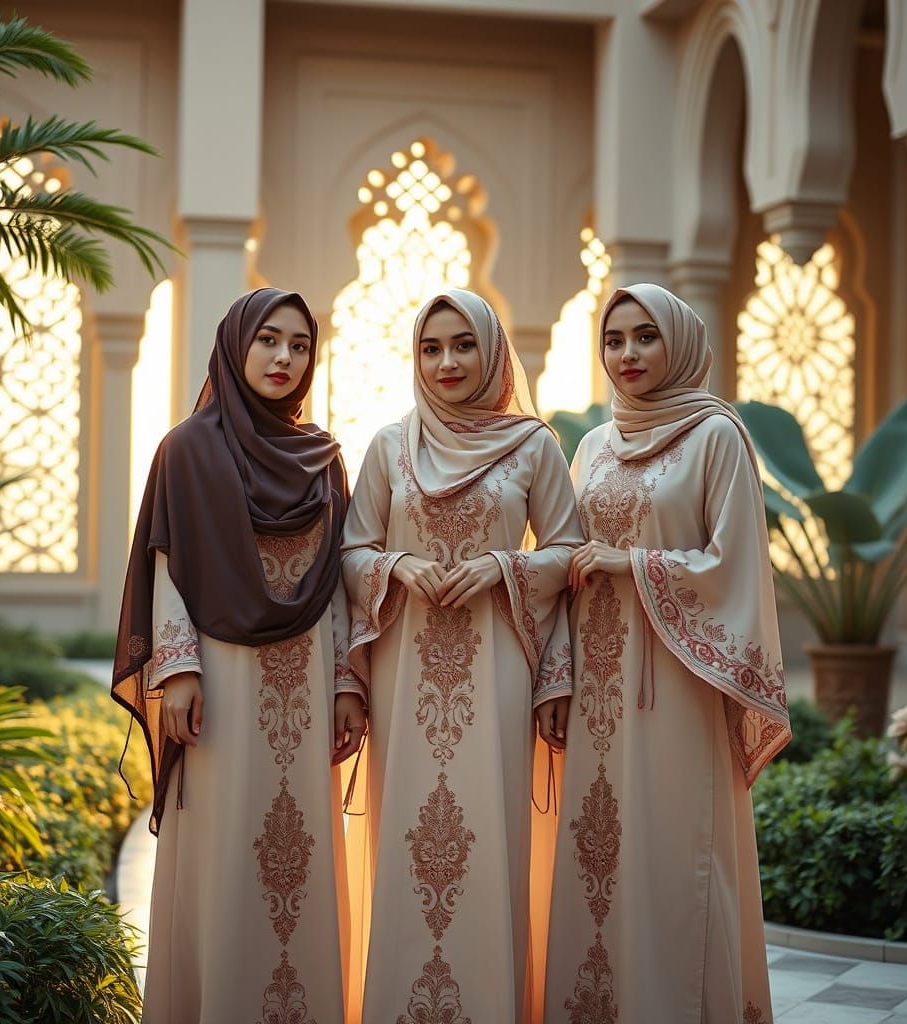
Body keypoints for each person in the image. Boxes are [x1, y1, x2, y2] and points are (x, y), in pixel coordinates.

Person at [111, 287, 366, 1024]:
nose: (284, 357)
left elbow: (341, 579)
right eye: (268, 341)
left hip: (310, 687)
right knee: (226, 856)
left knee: (299, 853)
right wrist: (180, 669)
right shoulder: (186, 450)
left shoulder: (324, 460)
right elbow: (168, 566)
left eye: (299, 344)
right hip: (221, 684)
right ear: (235, 345)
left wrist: (349, 680)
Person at [544, 283, 791, 1023]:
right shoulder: (592, 445)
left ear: (678, 342)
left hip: (679, 683)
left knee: (673, 849)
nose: (627, 355)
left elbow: (736, 562)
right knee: (601, 851)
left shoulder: (716, 436)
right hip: (598, 687)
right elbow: (563, 556)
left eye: (644, 337)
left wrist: (635, 564)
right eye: (613, 340)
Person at [341, 289, 583, 1022]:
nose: (447, 362)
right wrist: (397, 568)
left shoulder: (533, 444)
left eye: (463, 346)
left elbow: (571, 550)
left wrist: (506, 567)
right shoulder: (389, 444)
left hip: (497, 672)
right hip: (405, 674)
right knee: (407, 841)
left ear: (492, 351)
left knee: (488, 842)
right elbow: (351, 549)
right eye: (431, 348)